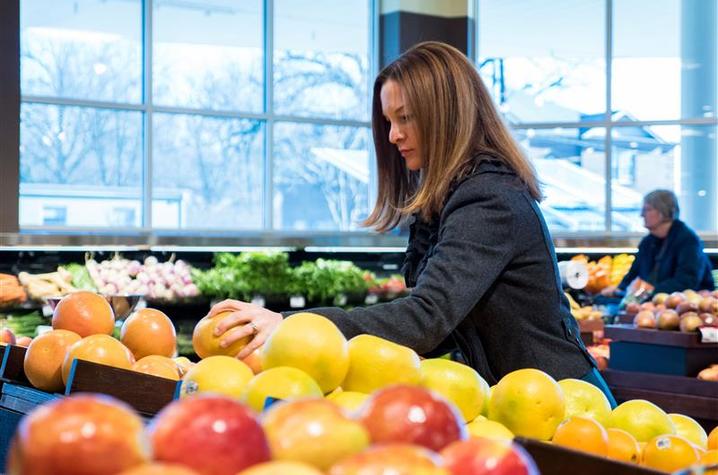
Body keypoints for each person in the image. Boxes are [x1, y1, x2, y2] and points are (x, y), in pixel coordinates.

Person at [208, 41, 615, 404]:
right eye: (388, 121)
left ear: (447, 117)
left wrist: (291, 324)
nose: (392, 136)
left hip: (564, 402)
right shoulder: (451, 197)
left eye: (405, 118)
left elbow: (426, 318)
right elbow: (437, 329)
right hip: (516, 398)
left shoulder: (490, 198)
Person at [602, 190, 715, 297]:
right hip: (650, 301)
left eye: (647, 209)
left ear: (663, 212)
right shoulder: (648, 242)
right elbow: (634, 272)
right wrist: (620, 289)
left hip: (684, 304)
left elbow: (687, 281)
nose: (641, 215)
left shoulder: (688, 240)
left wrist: (650, 291)